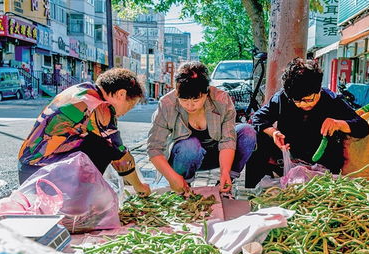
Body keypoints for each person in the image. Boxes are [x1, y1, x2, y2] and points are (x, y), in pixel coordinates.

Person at [18, 67, 151, 196]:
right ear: (121, 94)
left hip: (27, 168)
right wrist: (139, 187)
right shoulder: (100, 107)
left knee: (97, 143)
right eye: (131, 105)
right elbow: (121, 155)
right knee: (106, 148)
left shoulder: (82, 90)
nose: (127, 111)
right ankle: (81, 202)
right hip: (43, 175)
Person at [246, 57, 369, 187]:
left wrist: (339, 124)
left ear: (318, 90)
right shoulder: (282, 98)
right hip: (288, 156)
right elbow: (258, 118)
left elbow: (362, 127)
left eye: (309, 100)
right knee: (255, 136)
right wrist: (274, 133)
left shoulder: (332, 100)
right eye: (297, 101)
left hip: (323, 162)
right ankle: (254, 191)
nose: (303, 105)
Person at [147, 61, 257, 193]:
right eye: (184, 100)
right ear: (177, 92)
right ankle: (183, 188)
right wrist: (173, 177)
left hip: (216, 154)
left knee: (248, 132)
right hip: (184, 156)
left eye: (196, 100)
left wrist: (225, 172)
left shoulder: (221, 100)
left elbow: (228, 140)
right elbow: (154, 148)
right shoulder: (166, 104)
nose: (190, 106)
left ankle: (225, 183)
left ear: (206, 93)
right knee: (190, 146)